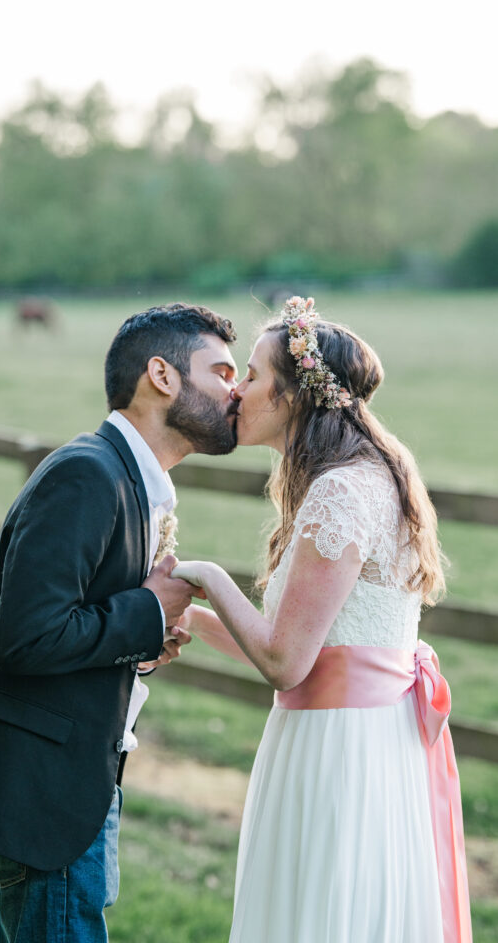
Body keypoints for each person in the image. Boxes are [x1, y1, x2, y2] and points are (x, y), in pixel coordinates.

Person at [0, 302, 239, 943]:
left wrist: (144, 639)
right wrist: (148, 610)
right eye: (223, 372)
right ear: (162, 375)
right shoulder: (88, 474)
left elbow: (71, 622)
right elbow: (26, 637)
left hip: (71, 783)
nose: (236, 392)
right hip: (42, 794)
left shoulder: (128, 477)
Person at [173, 295, 472, 943]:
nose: (237, 390)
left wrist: (204, 576)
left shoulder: (340, 490)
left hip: (338, 752)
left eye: (252, 375)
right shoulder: (367, 474)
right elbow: (305, 646)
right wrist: (186, 620)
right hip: (367, 739)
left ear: (292, 396)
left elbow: (284, 662)